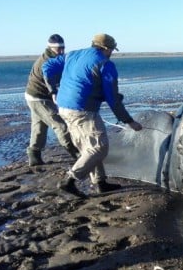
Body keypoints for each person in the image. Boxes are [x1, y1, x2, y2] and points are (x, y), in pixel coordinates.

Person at [43, 33, 142, 198]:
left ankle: (100, 183)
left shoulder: (73, 55)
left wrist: (53, 90)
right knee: (99, 148)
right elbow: (113, 99)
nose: (111, 52)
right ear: (105, 48)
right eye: (111, 49)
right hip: (82, 111)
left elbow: (47, 67)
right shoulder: (105, 64)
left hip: (63, 107)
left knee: (87, 148)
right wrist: (130, 122)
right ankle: (69, 181)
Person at [24, 34, 79, 166]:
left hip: (38, 96)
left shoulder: (58, 58)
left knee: (39, 127)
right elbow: (49, 79)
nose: (61, 51)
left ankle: (34, 157)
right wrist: (54, 93)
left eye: (62, 48)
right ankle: (75, 153)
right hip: (38, 97)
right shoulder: (47, 61)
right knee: (60, 125)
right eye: (57, 48)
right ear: (49, 47)